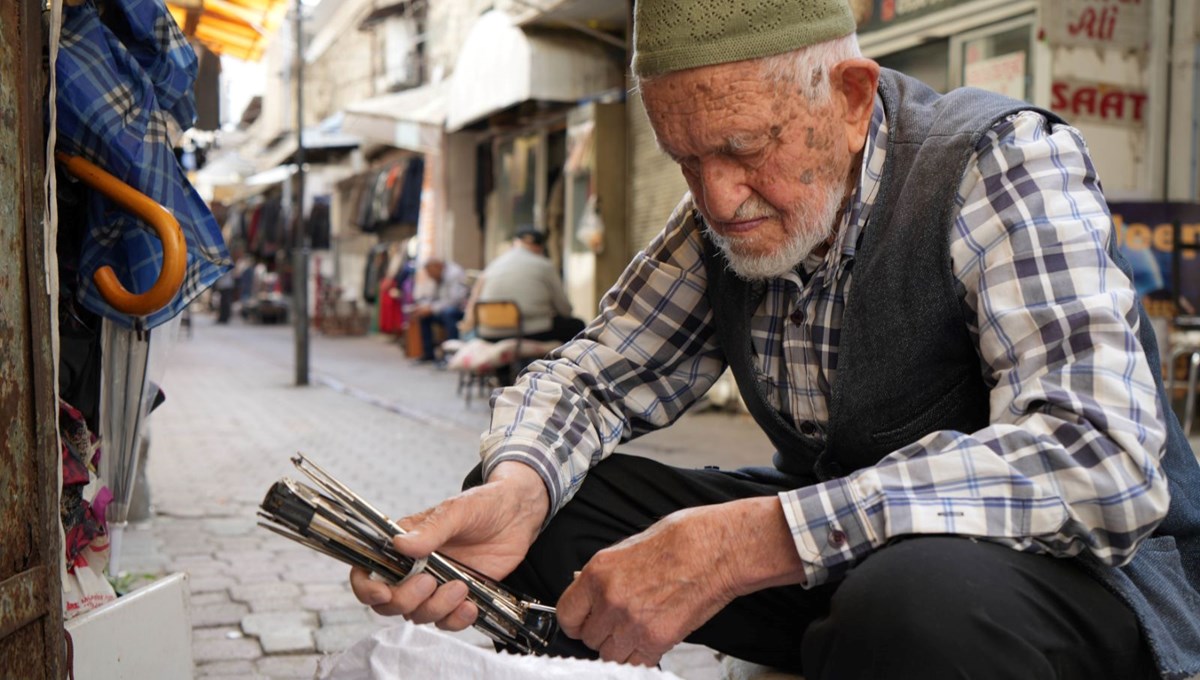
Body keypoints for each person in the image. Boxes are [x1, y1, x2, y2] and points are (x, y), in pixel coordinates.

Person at [351, 1, 1200, 678]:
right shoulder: (732, 213)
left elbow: (1100, 457)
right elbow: (593, 378)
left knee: (913, 602)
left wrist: (753, 540)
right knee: (555, 513)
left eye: (744, 147)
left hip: (1071, 587)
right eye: (685, 160)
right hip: (852, 568)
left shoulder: (999, 161)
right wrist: (517, 485)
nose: (719, 199)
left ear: (852, 97)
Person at [471, 226, 586, 344]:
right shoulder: (544, 265)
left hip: (488, 333)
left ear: (515, 243)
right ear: (540, 248)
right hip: (527, 332)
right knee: (576, 325)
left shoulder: (494, 264)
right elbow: (565, 309)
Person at [411, 257, 468, 363]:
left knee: (448, 314)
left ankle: (452, 354)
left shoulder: (455, 273)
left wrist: (432, 308)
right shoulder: (438, 276)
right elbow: (433, 297)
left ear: (438, 267)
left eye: (430, 273)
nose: (430, 276)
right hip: (443, 309)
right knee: (424, 316)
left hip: (459, 310)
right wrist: (424, 306)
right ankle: (428, 354)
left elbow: (454, 301)